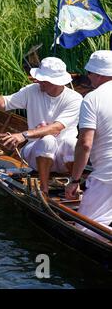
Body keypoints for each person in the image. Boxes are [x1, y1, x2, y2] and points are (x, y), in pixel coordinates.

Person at [0, 57, 83, 193]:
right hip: (35, 154)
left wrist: (23, 135)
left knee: (72, 143)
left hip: (63, 158)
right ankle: (44, 189)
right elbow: (4, 104)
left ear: (55, 82)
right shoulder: (31, 90)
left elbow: (57, 127)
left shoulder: (75, 99)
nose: (37, 81)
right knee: (48, 140)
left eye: (42, 79)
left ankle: (74, 184)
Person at [66, 50, 112, 235]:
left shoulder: (92, 99)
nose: (88, 76)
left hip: (107, 176)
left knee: (85, 228)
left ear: (99, 74)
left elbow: (85, 144)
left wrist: (75, 180)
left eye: (90, 73)